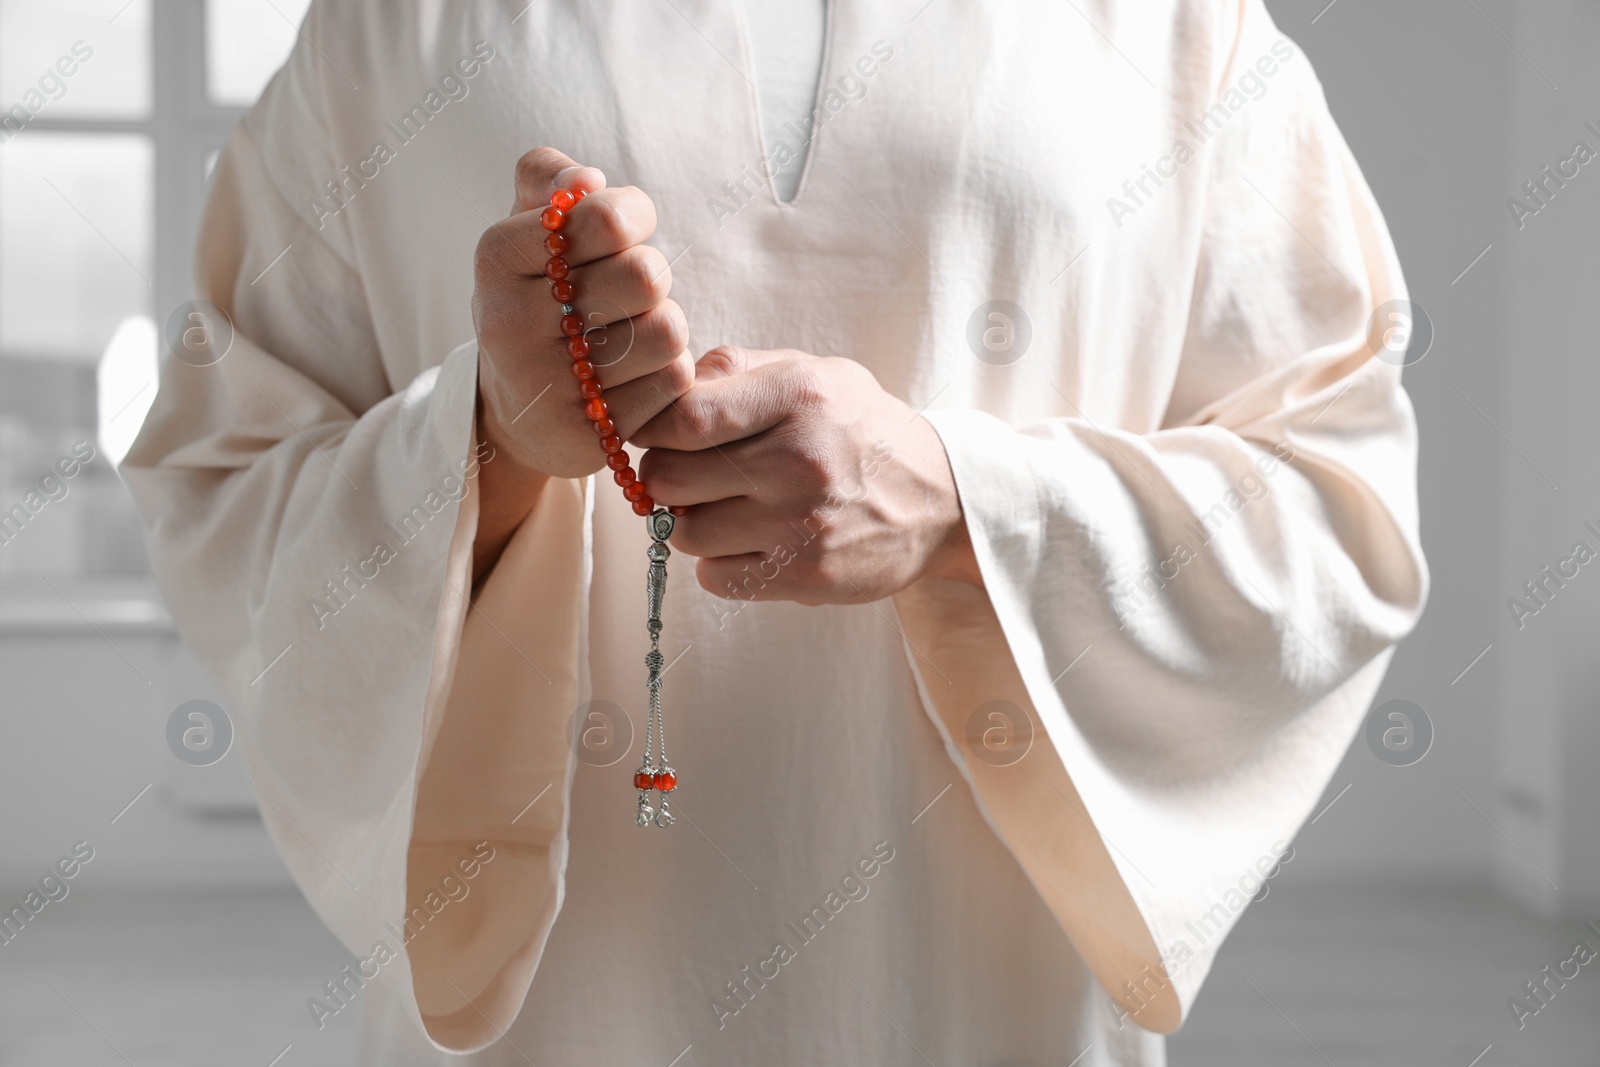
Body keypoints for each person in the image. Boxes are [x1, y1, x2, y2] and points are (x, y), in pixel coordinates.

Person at [124, 0, 1428, 1063]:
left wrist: (961, 500)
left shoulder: (1181, 33)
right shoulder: (383, 33)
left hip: (990, 1012)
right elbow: (221, 487)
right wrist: (480, 442)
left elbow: (1338, 518)